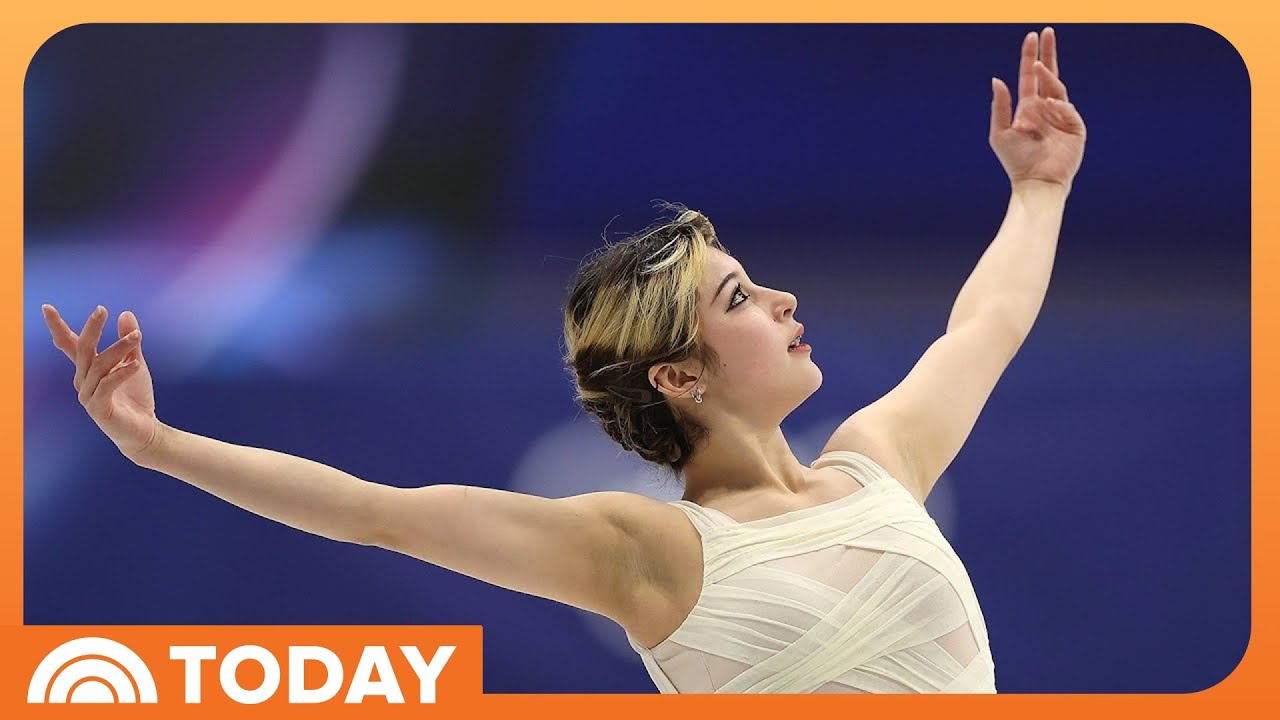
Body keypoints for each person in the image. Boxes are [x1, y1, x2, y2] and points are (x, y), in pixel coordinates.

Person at [41, 26, 1084, 693]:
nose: (783, 301)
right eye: (739, 299)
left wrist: (1037, 191)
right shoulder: (645, 550)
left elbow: (982, 327)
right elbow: (377, 514)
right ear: (679, 375)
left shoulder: (878, 460)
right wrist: (158, 445)